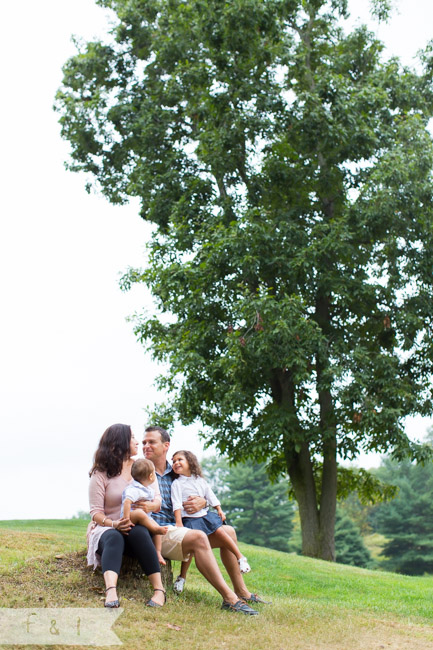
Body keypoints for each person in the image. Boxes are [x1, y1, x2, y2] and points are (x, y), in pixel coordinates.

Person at [141, 425, 269, 614]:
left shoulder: (178, 472)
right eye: (144, 442)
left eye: (151, 442)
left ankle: (241, 591)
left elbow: (198, 490)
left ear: (166, 445)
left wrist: (203, 503)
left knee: (229, 532)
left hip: (186, 528)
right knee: (199, 537)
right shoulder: (141, 472)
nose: (146, 446)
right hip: (161, 532)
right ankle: (230, 599)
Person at [87, 423, 166, 608]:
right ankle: (111, 591)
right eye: (132, 438)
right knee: (114, 537)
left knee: (139, 532)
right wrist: (114, 524)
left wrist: (148, 506)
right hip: (108, 528)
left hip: (135, 526)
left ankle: (159, 590)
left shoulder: (143, 467)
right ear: (120, 442)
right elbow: (95, 513)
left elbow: (157, 501)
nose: (137, 442)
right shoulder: (101, 473)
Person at [171, 450, 251, 578]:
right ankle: (182, 576)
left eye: (180, 460)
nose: (176, 463)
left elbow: (209, 494)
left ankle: (240, 557)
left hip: (204, 515)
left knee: (221, 532)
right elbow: (176, 504)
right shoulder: (177, 483)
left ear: (190, 462)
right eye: (173, 461)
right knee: (191, 550)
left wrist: (219, 509)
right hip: (189, 519)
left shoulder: (200, 480)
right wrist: (179, 522)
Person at [121, 458, 169, 564]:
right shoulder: (134, 489)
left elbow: (156, 501)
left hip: (146, 517)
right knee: (140, 513)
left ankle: (158, 552)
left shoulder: (147, 489)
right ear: (151, 476)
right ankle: (154, 529)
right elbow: (127, 502)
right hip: (131, 516)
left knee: (156, 524)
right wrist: (126, 519)